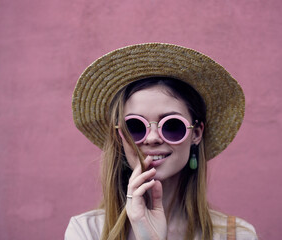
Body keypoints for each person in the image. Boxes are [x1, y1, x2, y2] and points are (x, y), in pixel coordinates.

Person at [65, 43, 258, 240]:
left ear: (196, 134)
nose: (152, 138)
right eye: (135, 127)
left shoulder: (237, 235)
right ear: (118, 136)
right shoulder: (86, 232)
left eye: (172, 125)